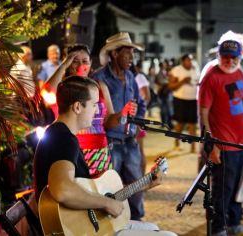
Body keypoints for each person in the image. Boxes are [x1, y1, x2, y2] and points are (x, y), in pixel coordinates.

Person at [33, 76, 176, 236]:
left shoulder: (60, 134)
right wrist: (106, 203)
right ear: (78, 107)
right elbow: (62, 190)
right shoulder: (63, 139)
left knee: (153, 227)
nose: (97, 110)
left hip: (84, 224)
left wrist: (145, 183)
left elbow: (87, 192)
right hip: (78, 230)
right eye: (94, 104)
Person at [42, 44, 128, 177]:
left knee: (101, 191)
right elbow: (46, 91)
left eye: (85, 61)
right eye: (74, 61)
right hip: (72, 149)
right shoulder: (63, 87)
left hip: (99, 151)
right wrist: (64, 65)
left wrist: (122, 114)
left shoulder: (99, 86)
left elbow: (109, 120)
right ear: (67, 62)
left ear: (90, 62)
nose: (80, 65)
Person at [199, 39, 243, 236]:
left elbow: (242, 108)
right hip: (224, 146)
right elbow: (203, 113)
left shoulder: (239, 71)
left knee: (238, 189)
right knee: (222, 192)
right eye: (226, 57)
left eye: (234, 57)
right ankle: (218, 228)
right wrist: (211, 144)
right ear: (218, 56)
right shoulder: (211, 76)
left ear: (239, 57)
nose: (230, 61)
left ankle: (234, 221)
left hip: (242, 144)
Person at [94, 32, 147, 221]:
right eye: (128, 54)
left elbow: (141, 103)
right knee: (111, 187)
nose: (132, 59)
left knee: (136, 184)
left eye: (133, 54)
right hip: (111, 142)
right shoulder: (99, 78)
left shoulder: (131, 76)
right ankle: (113, 224)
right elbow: (97, 116)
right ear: (115, 54)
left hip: (130, 141)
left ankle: (137, 221)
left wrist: (138, 124)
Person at [168, 54, 199, 153]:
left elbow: (198, 82)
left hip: (193, 100)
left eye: (191, 60)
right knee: (180, 124)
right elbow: (171, 86)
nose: (190, 62)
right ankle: (177, 142)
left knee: (192, 124)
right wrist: (183, 81)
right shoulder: (176, 70)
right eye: (188, 60)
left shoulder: (195, 69)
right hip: (180, 100)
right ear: (183, 61)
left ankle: (193, 146)